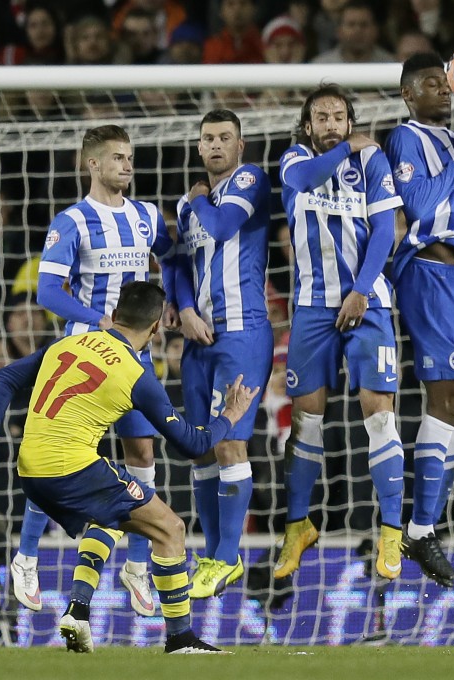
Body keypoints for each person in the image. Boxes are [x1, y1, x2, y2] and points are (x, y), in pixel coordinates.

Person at [0, 281, 258, 654]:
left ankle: (78, 610)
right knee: (170, 528)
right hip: (70, 468)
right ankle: (182, 639)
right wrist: (230, 415)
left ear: (115, 315)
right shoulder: (135, 373)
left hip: (29, 470)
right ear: (156, 328)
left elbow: (4, 377)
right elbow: (194, 445)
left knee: (111, 516)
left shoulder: (67, 344)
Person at [13, 124, 178, 616]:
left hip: (133, 358)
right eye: (118, 158)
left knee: (142, 452)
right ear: (93, 164)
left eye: (130, 157)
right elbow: (47, 293)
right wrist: (97, 318)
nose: (127, 165)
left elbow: (173, 256)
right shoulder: (73, 222)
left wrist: (169, 303)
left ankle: (135, 563)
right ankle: (25, 556)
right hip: (82, 356)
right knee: (61, 458)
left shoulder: (148, 217)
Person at [273, 84, 405, 581]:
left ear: (350, 120)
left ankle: (391, 532)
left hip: (367, 303)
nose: (330, 123)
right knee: (305, 423)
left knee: (379, 417)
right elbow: (306, 178)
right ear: (308, 125)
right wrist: (351, 145)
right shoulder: (294, 159)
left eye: (339, 117)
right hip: (311, 308)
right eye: (321, 117)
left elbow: (385, 229)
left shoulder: (372, 164)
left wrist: (363, 289)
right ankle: (297, 527)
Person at [385, 53, 454, 587]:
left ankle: (426, 524)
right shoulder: (406, 138)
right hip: (430, 271)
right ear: (409, 95)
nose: (444, 89)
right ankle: (421, 526)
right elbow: (421, 203)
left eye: (445, 81)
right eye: (431, 83)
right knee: (446, 396)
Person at [171, 109, 272, 598]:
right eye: (207, 138)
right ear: (197, 147)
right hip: (199, 338)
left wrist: (195, 199)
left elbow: (223, 226)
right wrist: (185, 309)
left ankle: (228, 555)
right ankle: (214, 556)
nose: (215, 145)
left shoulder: (249, 180)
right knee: (202, 449)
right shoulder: (184, 203)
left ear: (240, 145)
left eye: (224, 138)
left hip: (242, 332)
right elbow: (175, 263)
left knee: (230, 442)